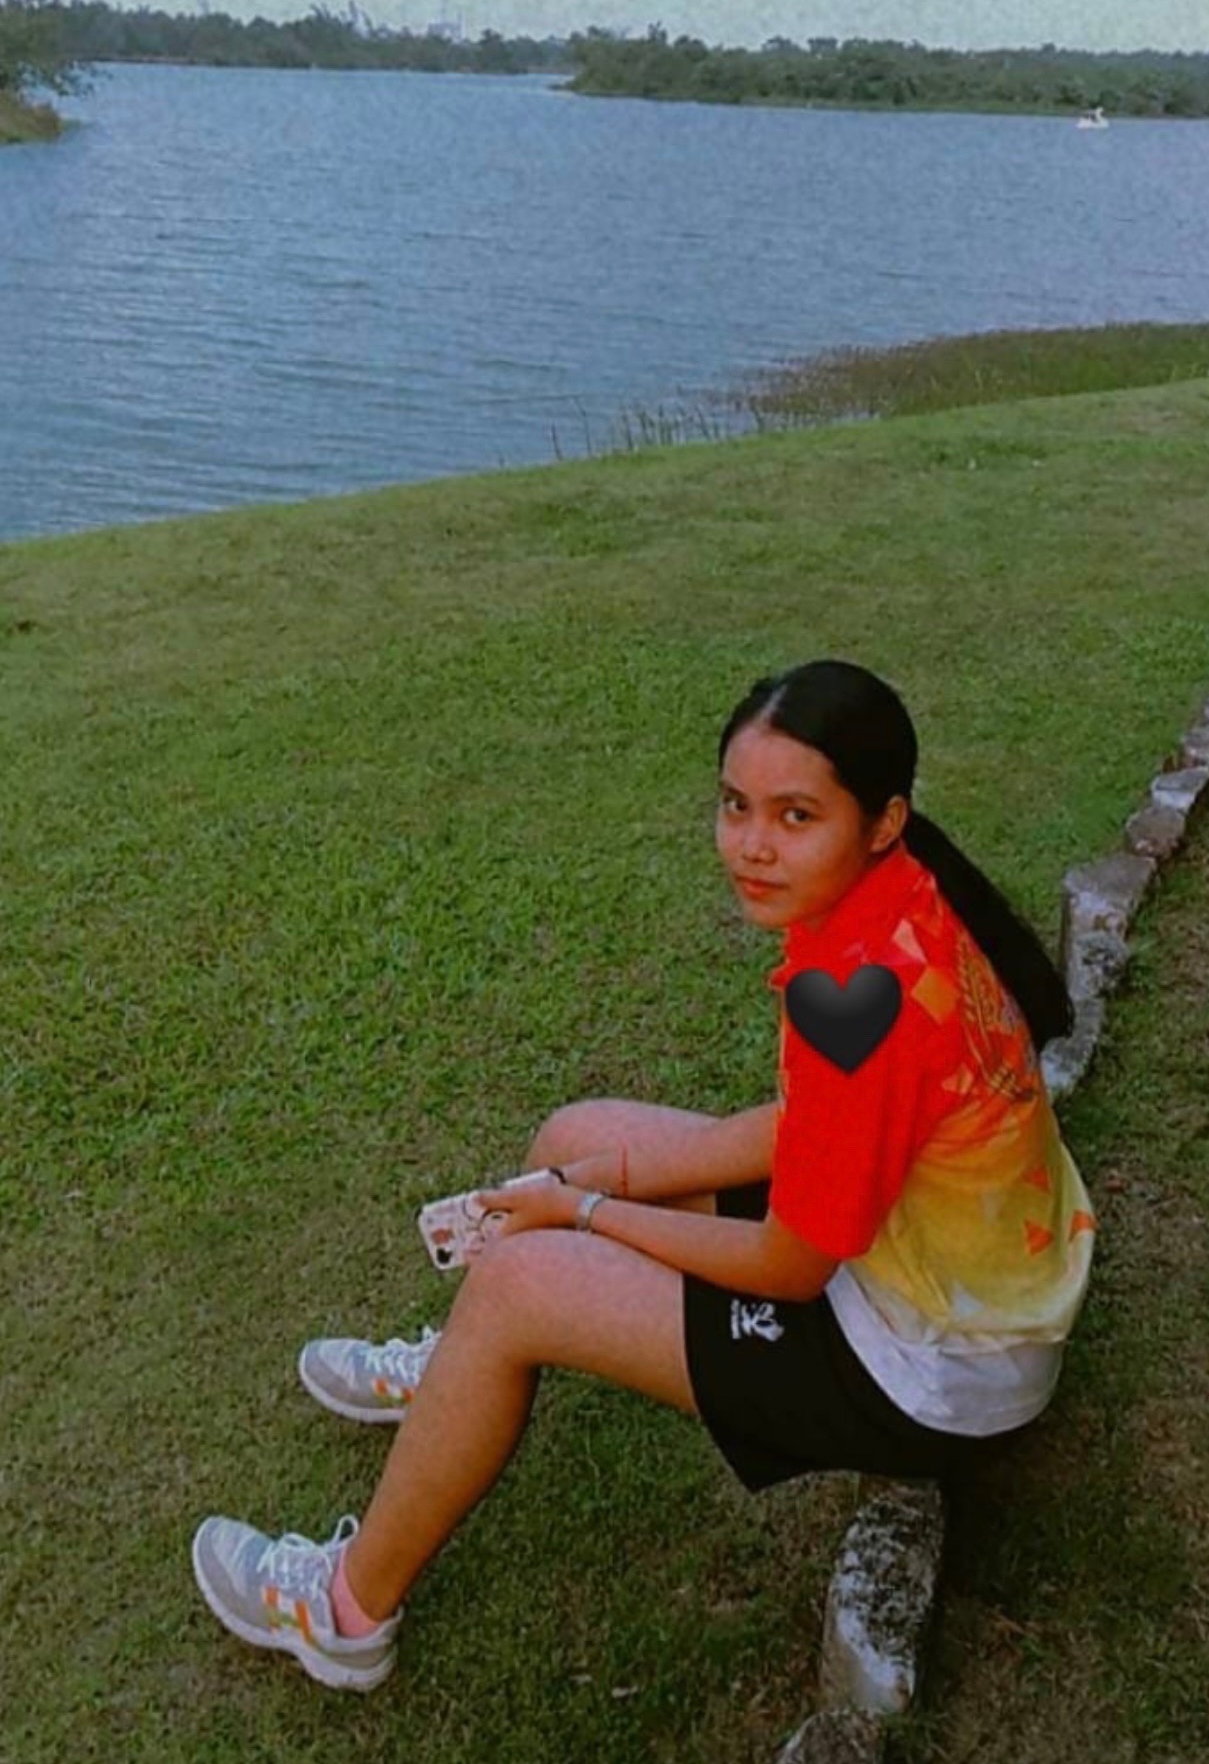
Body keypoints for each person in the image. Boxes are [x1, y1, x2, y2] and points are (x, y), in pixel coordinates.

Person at [192, 658, 1095, 1691]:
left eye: (795, 816)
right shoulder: (899, 899)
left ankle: (342, 1615)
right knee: (574, 1130)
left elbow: (789, 1266)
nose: (751, 845)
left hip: (930, 1367)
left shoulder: (861, 994)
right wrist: (607, 1170)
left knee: (520, 1278)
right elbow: (818, 1127)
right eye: (735, 805)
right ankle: (454, 1378)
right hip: (921, 1268)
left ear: (882, 820)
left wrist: (588, 1209)